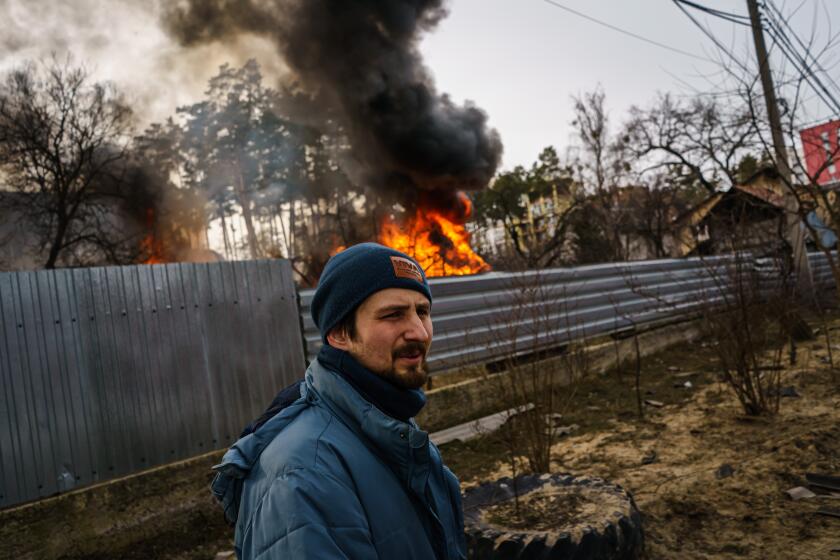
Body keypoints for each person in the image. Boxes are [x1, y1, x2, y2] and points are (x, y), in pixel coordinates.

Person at [211, 243, 467, 559]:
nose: (419, 331)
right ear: (340, 335)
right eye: (393, 315)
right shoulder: (304, 472)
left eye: (423, 311)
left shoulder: (388, 425)